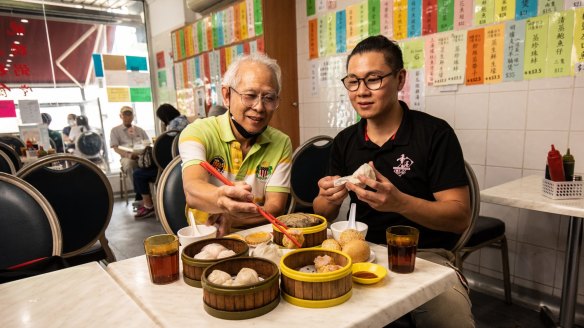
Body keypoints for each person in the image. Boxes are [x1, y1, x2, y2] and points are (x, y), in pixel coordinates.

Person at [313, 35, 474, 327]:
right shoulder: (345, 141)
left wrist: (400, 203)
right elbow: (321, 213)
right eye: (353, 81)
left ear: (400, 79)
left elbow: (459, 217)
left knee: (452, 316)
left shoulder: (435, 134)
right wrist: (326, 198)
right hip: (359, 250)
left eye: (373, 79)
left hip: (424, 256)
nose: (361, 91)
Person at [179, 53, 292, 236]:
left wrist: (232, 217)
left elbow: (275, 206)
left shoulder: (281, 142)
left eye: (269, 98)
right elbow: (192, 190)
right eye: (250, 95)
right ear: (226, 95)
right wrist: (222, 201)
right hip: (207, 235)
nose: (259, 107)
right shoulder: (197, 132)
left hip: (259, 234)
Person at [110, 106, 150, 195]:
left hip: (141, 156)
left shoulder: (140, 130)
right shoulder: (115, 130)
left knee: (151, 164)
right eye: (125, 115)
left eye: (129, 114)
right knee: (130, 164)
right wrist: (128, 155)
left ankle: (150, 192)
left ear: (133, 116)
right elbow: (115, 147)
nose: (127, 117)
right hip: (126, 157)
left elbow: (147, 144)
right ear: (120, 116)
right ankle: (139, 193)